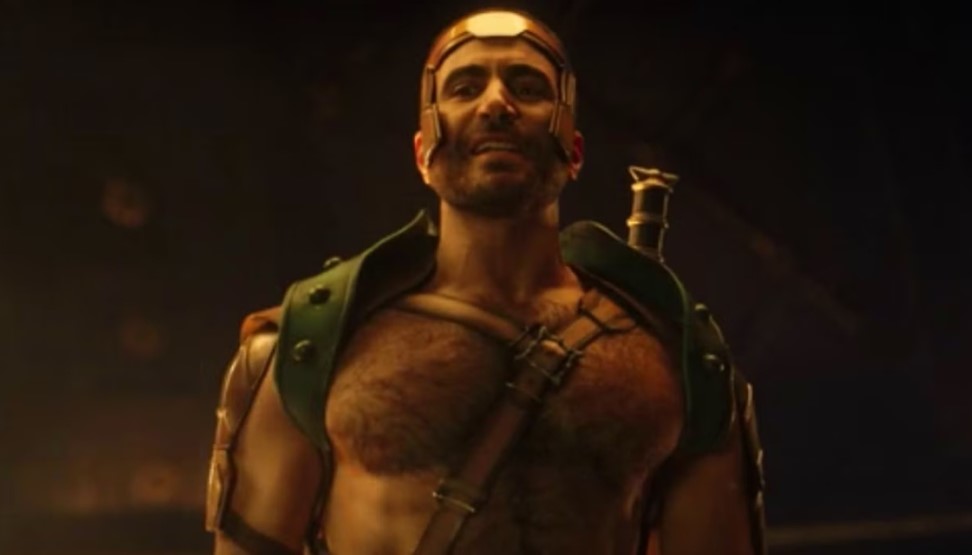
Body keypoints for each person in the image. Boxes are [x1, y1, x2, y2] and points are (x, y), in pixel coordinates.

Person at [205, 9, 765, 555]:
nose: (496, 104)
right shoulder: (311, 348)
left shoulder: (676, 359)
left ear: (574, 151)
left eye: (527, 87)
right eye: (465, 87)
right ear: (422, 153)